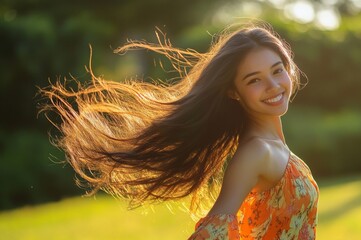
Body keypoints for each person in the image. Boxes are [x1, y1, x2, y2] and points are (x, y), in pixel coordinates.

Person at [40, 23, 319, 239]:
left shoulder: (272, 145)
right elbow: (212, 230)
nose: (273, 85)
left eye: (277, 70)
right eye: (254, 80)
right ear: (234, 92)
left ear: (289, 69)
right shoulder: (257, 152)